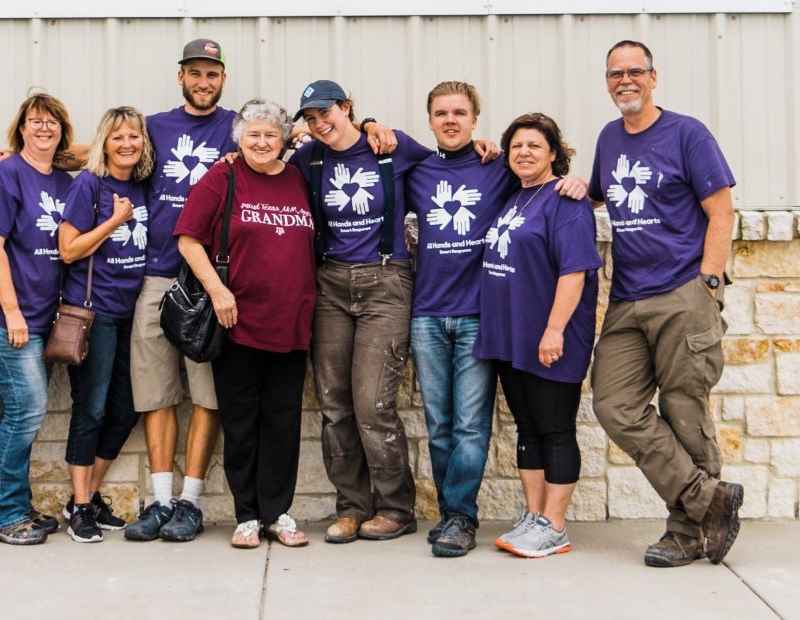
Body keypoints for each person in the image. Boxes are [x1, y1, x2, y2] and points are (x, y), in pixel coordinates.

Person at [406, 83, 590, 558]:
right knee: (440, 424)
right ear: (429, 121)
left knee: (471, 425)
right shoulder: (416, 168)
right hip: (429, 314)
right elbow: (362, 144)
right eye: (441, 112)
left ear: (474, 121)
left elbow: (558, 209)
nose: (451, 120)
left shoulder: (500, 171)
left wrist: (579, 184)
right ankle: (455, 513)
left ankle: (465, 519)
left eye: (460, 113)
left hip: (477, 320)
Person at [589, 40, 741, 568]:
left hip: (683, 292)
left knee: (683, 410)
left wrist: (710, 284)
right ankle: (710, 499)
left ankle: (687, 533)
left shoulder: (687, 133)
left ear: (654, 77)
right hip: (629, 298)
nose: (624, 80)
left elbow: (721, 212)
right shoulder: (609, 138)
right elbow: (592, 195)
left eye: (635, 71)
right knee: (613, 404)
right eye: (615, 73)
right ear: (607, 82)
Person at [289, 79, 438, 543]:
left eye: (325, 114)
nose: (318, 124)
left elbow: (455, 167)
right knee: (335, 406)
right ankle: (352, 507)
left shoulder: (391, 147)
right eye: (310, 119)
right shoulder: (306, 157)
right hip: (329, 282)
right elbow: (262, 167)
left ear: (347, 108)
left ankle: (396, 508)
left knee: (373, 403)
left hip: (386, 279)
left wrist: (488, 148)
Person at [175, 98, 316, 549]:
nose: (261, 142)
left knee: (282, 421)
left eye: (270, 135)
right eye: (253, 134)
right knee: (241, 421)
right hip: (237, 320)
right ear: (239, 138)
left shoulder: (297, 178)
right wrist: (218, 291)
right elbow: (188, 239)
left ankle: (278, 512)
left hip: (292, 319)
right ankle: (247, 515)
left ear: (285, 139)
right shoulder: (224, 175)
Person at [122, 39, 236, 542]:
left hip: (212, 279)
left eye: (212, 74)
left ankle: (191, 503)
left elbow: (295, 137)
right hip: (156, 276)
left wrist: (368, 126)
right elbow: (107, 148)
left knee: (207, 393)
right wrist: (26, 153)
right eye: (195, 73)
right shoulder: (155, 127)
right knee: (155, 393)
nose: (204, 82)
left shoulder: (238, 127)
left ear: (223, 79)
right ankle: (162, 500)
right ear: (181, 77)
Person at [473, 113, 602, 558]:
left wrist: (554, 330)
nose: (524, 153)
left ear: (553, 154)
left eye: (534, 145)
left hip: (549, 338)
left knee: (554, 429)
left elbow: (575, 272)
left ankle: (556, 524)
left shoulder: (566, 202)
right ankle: (534, 516)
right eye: (516, 147)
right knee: (527, 428)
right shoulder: (515, 198)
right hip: (512, 336)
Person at [0, 93, 74, 546]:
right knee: (28, 409)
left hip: (43, 318)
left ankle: (13, 504)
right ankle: (0, 515)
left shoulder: (65, 180)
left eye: (52, 122)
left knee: (18, 413)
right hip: (6, 317)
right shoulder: (8, 174)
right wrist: (13, 312)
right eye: (35, 121)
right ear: (20, 128)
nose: (44, 128)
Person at [57, 107, 152, 542]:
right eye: (117, 138)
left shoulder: (145, 185)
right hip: (94, 314)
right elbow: (69, 250)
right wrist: (114, 222)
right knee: (91, 409)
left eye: (134, 136)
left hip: (133, 314)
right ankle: (79, 507)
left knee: (127, 408)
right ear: (104, 143)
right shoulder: (89, 185)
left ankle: (87, 495)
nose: (127, 144)